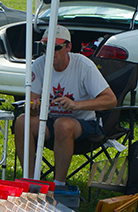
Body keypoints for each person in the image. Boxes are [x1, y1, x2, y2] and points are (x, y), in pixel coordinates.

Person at [14, 25, 117, 190]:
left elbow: (111, 100)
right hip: (50, 122)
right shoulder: (39, 65)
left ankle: (59, 186)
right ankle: (30, 181)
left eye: (56, 47)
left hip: (85, 123)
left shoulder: (83, 65)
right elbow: (33, 103)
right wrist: (34, 107)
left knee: (63, 124)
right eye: (46, 47)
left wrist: (76, 105)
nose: (50, 52)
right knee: (22, 121)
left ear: (68, 47)